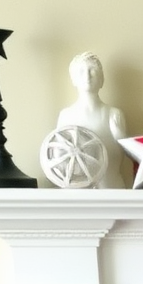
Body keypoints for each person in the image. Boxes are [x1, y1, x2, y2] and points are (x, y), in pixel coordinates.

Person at [56, 53, 127, 188]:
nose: (87, 76)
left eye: (92, 70)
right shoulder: (66, 115)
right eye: (81, 71)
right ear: (73, 79)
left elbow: (123, 155)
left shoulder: (113, 114)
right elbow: (59, 157)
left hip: (111, 189)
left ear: (102, 80)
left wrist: (119, 136)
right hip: (78, 192)